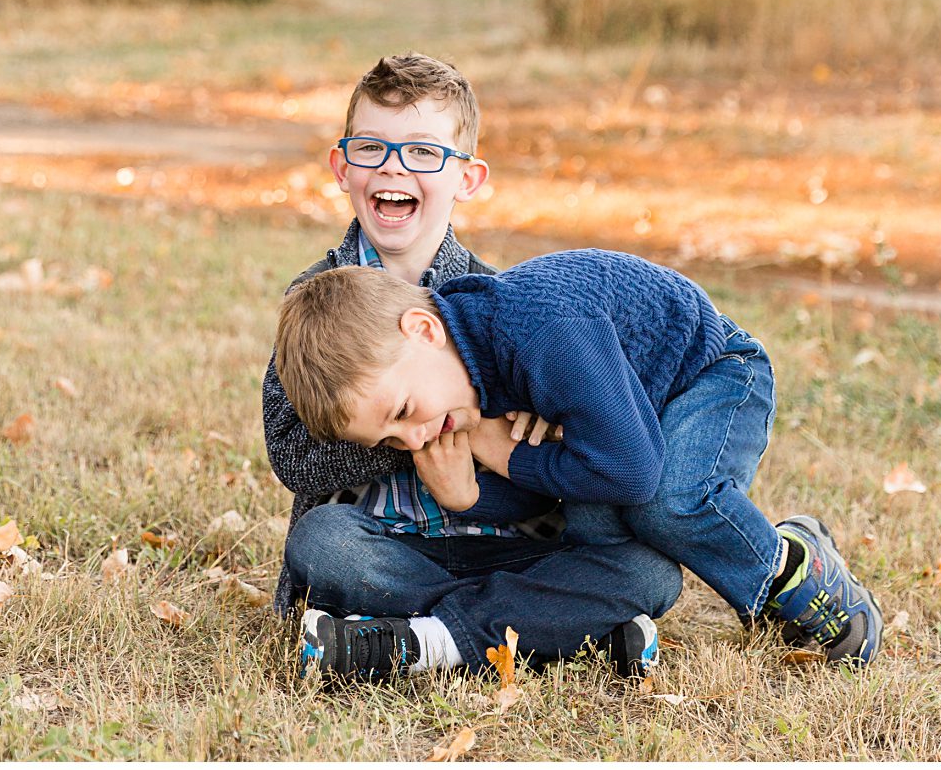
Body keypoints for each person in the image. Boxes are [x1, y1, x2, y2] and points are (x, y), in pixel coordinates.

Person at [261, 53, 683, 681]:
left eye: (424, 154)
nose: (393, 168)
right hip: (389, 546)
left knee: (648, 571)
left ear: (467, 178)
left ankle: (414, 638)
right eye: (372, 149)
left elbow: (572, 451)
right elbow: (292, 457)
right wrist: (424, 431)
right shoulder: (315, 303)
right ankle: (562, 629)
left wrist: (536, 437)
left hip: (521, 546)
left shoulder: (502, 302)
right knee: (322, 545)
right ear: (342, 166)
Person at [276, 249, 885, 677]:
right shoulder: (463, 386)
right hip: (622, 442)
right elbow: (542, 498)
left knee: (666, 506)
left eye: (404, 410)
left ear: (424, 329)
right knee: (596, 541)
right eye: (389, 441)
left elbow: (631, 471)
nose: (412, 442)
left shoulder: (538, 331)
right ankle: (563, 628)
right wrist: (466, 497)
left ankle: (795, 570)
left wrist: (501, 449)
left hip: (709, 377)